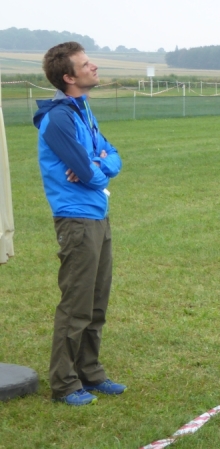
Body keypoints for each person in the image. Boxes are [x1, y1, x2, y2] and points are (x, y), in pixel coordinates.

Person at [34, 42, 125, 406]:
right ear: (68, 77)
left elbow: (112, 157)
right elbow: (89, 173)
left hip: (97, 215)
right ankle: (65, 383)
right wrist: (97, 167)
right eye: (86, 64)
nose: (94, 67)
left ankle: (90, 372)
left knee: (97, 302)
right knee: (76, 304)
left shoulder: (82, 109)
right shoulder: (58, 119)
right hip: (76, 219)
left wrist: (100, 163)